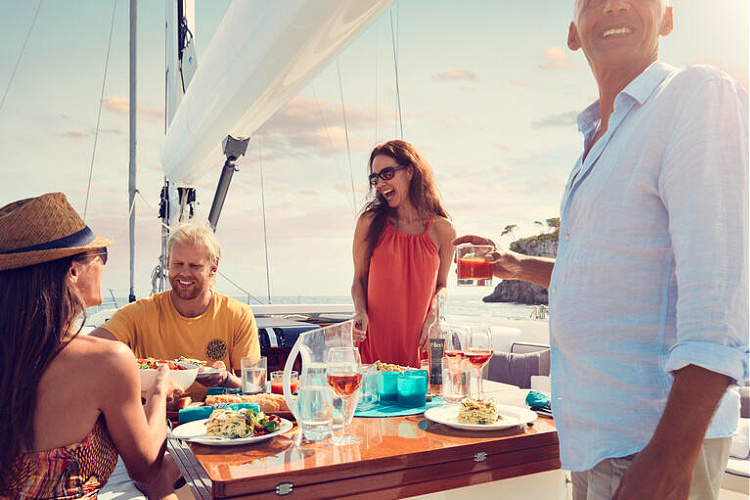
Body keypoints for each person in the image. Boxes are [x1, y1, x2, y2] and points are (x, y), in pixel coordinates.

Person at [457, 1, 748, 498]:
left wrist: (669, 458)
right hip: (594, 440)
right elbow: (601, 276)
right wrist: (515, 263)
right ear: (574, 33)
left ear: (668, 18)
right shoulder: (597, 139)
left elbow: (720, 299)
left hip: (652, 440)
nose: (614, 3)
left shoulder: (696, 96)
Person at [0, 192, 179, 499]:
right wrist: (160, 391)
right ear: (73, 270)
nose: (104, 265)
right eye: (101, 256)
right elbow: (147, 468)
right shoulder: (106, 361)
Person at [91, 222, 260, 400]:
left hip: (217, 419)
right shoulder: (139, 313)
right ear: (167, 262)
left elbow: (255, 387)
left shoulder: (238, 315)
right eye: (178, 264)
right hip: (156, 418)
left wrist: (225, 379)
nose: (185, 273)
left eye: (195, 266)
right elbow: (89, 347)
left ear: (214, 267)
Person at [352, 140, 456, 368]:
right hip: (377, 343)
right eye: (375, 178)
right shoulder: (369, 222)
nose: (379, 183)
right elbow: (359, 279)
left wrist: (434, 317)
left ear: (410, 171)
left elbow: (442, 286)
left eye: (386, 174)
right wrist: (359, 312)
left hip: (427, 341)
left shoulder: (443, 229)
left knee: (433, 401)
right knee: (377, 403)